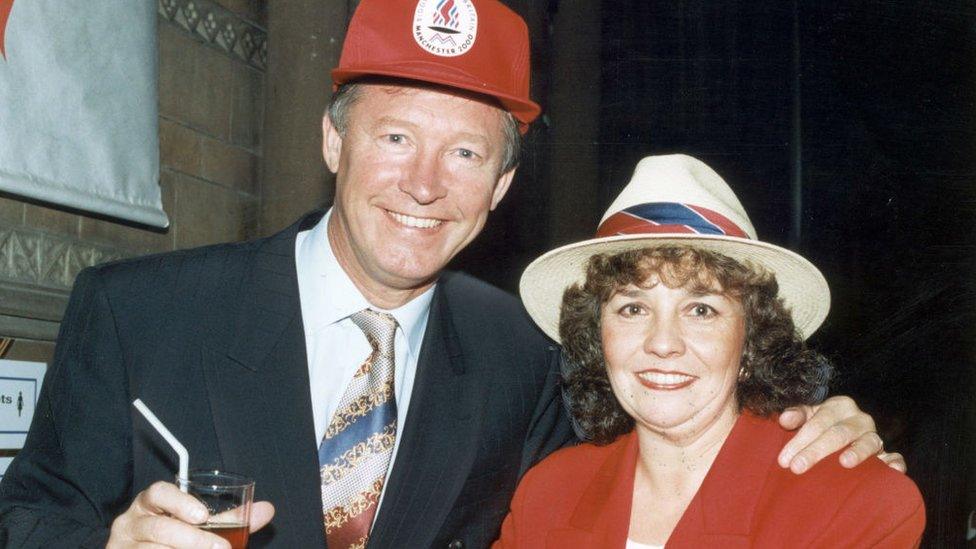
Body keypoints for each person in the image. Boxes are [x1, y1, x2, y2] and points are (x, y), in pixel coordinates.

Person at [0, 1, 899, 548]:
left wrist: (814, 411)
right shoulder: (139, 310)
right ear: (331, 139)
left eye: (466, 151)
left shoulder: (522, 350)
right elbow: (28, 512)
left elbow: (663, 427)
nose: (425, 184)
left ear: (502, 185)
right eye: (396, 136)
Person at [497, 154, 925, 547]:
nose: (662, 343)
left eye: (701, 309)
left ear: (753, 339)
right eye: (632, 307)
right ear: (597, 336)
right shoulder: (547, 494)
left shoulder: (856, 504)